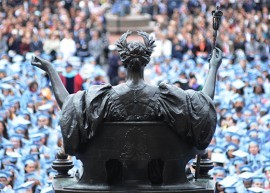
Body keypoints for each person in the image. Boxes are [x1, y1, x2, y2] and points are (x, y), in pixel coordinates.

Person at [31, 31, 222, 155]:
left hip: (111, 178)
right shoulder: (167, 98)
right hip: (159, 178)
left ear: (122, 63)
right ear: (147, 62)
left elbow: (68, 106)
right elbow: (203, 106)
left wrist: (51, 71)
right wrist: (213, 67)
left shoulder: (103, 97)